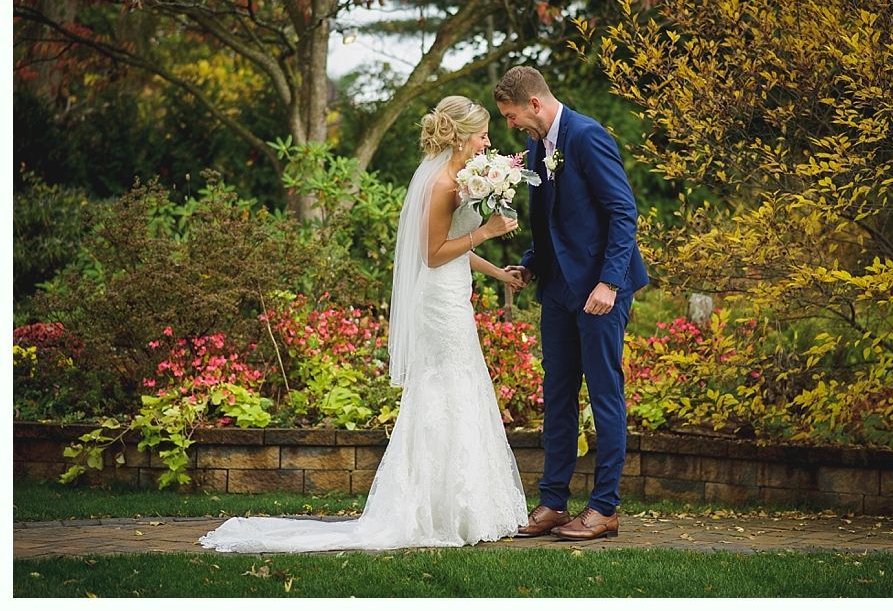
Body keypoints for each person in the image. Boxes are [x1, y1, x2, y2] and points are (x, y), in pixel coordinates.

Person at [199, 95, 528, 553]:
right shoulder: (438, 184)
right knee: (444, 392)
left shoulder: (460, 179)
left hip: (455, 295)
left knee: (460, 388)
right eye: (483, 134)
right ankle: (435, 511)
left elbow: (456, 246)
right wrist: (488, 230)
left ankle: (462, 508)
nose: (488, 142)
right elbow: (432, 256)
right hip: (439, 304)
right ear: (459, 136)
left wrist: (499, 272)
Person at [495, 66, 648, 541]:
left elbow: (624, 212)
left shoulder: (586, 136)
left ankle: (605, 508)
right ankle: (553, 503)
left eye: (511, 115)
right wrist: (530, 264)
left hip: (601, 293)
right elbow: (549, 220)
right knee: (557, 396)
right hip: (559, 291)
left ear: (534, 104)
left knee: (605, 396)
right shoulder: (540, 144)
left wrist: (608, 284)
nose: (510, 125)